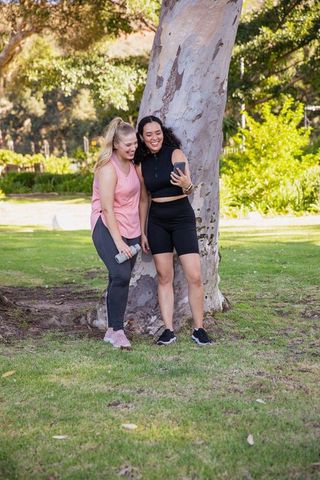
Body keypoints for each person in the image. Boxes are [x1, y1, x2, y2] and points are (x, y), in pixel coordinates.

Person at [135, 115, 213, 346]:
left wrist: (186, 185)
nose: (154, 137)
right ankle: (168, 330)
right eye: (148, 134)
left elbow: (189, 188)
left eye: (157, 132)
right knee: (164, 276)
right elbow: (143, 200)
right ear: (142, 137)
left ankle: (199, 328)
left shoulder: (175, 154)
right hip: (157, 221)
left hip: (181, 217)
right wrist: (143, 231)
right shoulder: (141, 165)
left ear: (163, 132)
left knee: (195, 275)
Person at [91, 118, 141, 349]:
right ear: (116, 145)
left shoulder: (132, 165)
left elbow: (139, 200)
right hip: (106, 226)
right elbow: (107, 208)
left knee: (119, 278)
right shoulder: (108, 169)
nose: (132, 148)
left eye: (134, 144)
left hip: (131, 227)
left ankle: (111, 329)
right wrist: (119, 241)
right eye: (128, 145)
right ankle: (118, 332)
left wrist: (141, 233)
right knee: (120, 275)